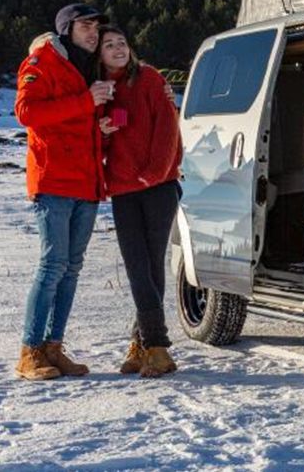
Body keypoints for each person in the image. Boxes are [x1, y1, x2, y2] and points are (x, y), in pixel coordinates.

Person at [14, 3, 115, 381]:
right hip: (54, 181)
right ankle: (30, 351)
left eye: (96, 27)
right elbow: (26, 112)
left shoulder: (89, 68)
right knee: (52, 266)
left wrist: (99, 128)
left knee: (71, 269)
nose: (93, 32)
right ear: (67, 28)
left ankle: (54, 349)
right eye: (86, 25)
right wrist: (85, 102)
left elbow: (76, 124)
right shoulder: (43, 61)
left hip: (86, 184)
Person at [96, 24, 183, 378]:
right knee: (138, 267)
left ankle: (157, 347)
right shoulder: (101, 91)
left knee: (149, 265)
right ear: (98, 54)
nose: (118, 49)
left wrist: (153, 173)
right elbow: (97, 145)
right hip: (123, 190)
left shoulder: (148, 78)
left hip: (158, 186)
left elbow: (168, 130)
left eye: (122, 43)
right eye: (109, 45)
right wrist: (100, 133)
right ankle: (144, 342)